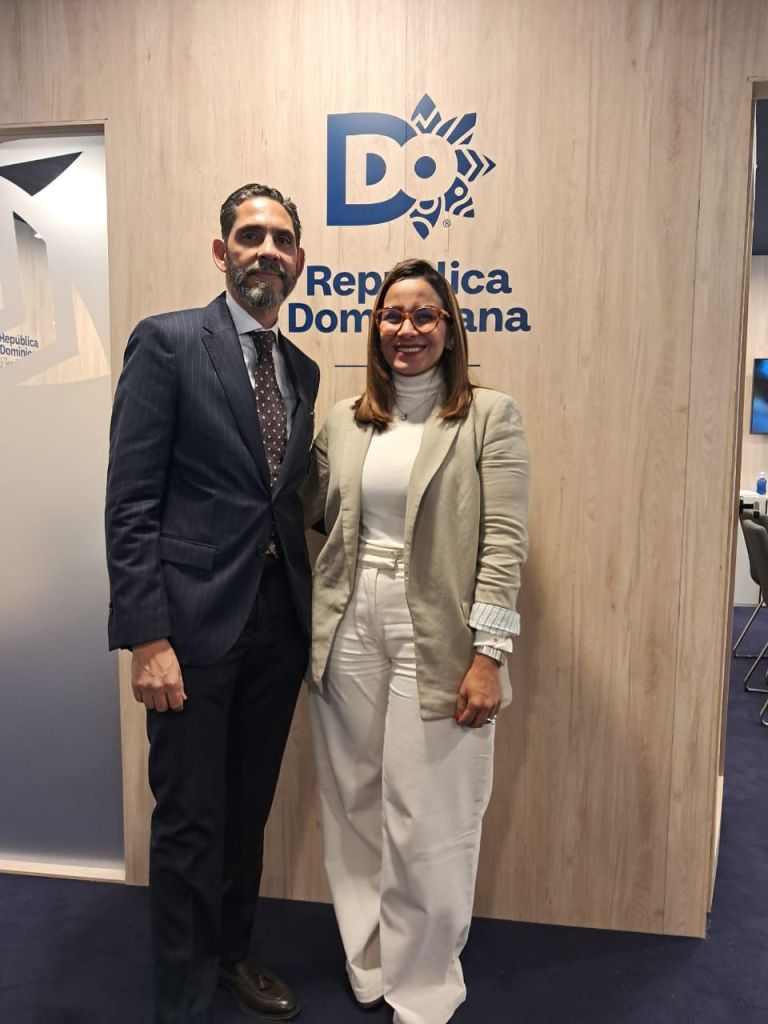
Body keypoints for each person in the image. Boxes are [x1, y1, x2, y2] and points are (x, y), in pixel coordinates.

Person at [105, 183, 319, 1024]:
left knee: (246, 809)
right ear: (221, 250)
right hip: (189, 630)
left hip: (276, 625)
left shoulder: (300, 370)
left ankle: (232, 954)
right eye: (251, 235)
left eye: (282, 239)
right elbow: (130, 502)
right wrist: (146, 635)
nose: (268, 250)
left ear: (299, 260)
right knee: (190, 820)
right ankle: (184, 994)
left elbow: (281, 498)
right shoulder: (166, 344)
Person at [302, 258, 529, 1024]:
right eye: (393, 315)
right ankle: (368, 959)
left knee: (428, 814)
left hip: (437, 629)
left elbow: (504, 544)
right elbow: (313, 510)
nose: (407, 329)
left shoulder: (489, 416)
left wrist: (489, 655)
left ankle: (424, 987)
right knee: (353, 801)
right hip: (347, 619)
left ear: (450, 328)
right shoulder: (346, 418)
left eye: (424, 314)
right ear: (375, 328)